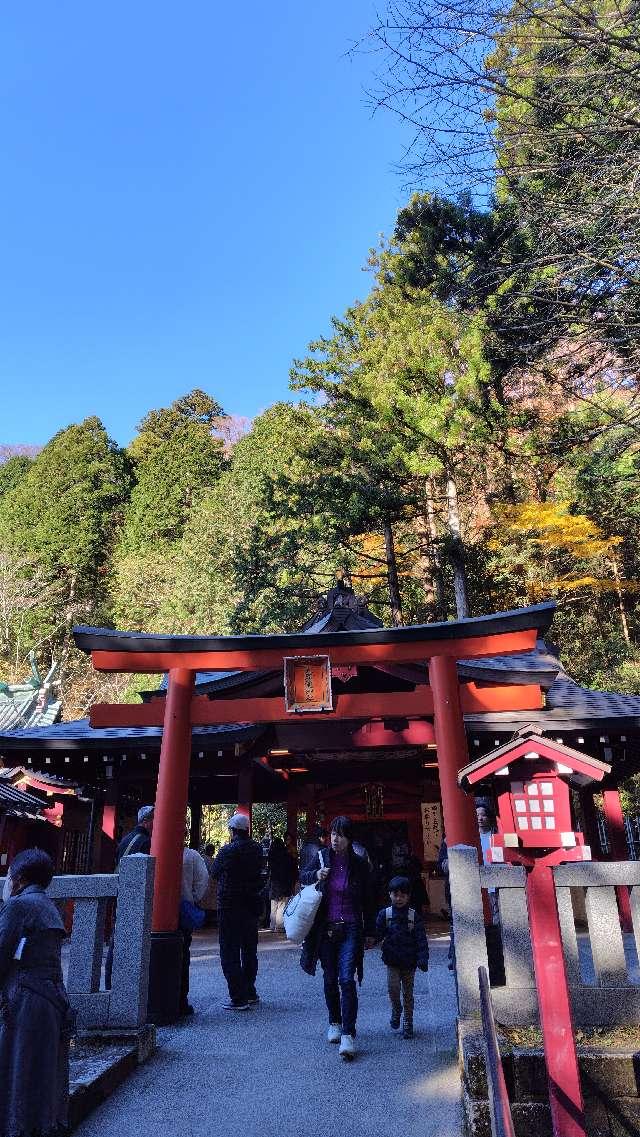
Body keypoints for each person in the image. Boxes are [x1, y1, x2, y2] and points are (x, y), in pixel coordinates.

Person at [0, 848, 74, 1137]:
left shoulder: (18, 906)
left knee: (17, 1069)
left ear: (18, 879)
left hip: (25, 997)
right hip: (50, 996)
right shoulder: (48, 906)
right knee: (40, 1073)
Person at [299, 815, 376, 1061]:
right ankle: (334, 1020)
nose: (335, 839)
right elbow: (302, 877)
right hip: (325, 928)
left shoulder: (359, 864)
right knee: (330, 978)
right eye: (333, 833)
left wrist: (372, 931)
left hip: (351, 926)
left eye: (340, 834)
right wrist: (316, 875)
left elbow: (369, 898)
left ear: (349, 838)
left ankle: (347, 1034)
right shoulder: (321, 857)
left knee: (346, 979)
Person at [211, 813, 264, 1010]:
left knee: (229, 950)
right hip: (250, 903)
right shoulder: (257, 849)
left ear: (232, 831)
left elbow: (214, 872)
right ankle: (250, 991)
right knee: (249, 949)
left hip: (229, 904)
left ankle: (238, 996)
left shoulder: (227, 851)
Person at [105, 804, 155, 989]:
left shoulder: (126, 840)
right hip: (136, 895)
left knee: (117, 939)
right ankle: (128, 985)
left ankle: (112, 983)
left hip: (122, 894)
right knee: (133, 941)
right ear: (147, 821)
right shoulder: (145, 842)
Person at [375, 875, 429, 1039]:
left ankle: (408, 1021)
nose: (399, 898)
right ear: (389, 894)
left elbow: (421, 939)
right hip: (392, 961)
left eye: (403, 895)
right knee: (393, 989)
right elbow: (377, 933)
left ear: (408, 896)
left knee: (408, 993)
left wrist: (422, 958)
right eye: (395, 894)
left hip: (410, 961)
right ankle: (396, 1009)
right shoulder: (385, 914)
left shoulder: (413, 916)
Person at [179, 842, 210, 1017]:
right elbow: (203, 878)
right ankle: (181, 999)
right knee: (183, 954)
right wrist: (194, 897)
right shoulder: (191, 856)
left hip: (158, 909)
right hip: (185, 906)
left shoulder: (155, 848)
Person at [267, 835, 297, 932]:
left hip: (274, 882)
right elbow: (292, 869)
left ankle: (272, 925)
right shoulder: (287, 855)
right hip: (284, 882)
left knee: (274, 905)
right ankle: (279, 926)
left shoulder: (271, 856)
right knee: (282, 904)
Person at [200, 842, 218, 927]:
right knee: (210, 904)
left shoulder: (201, 859)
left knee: (205, 903)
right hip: (210, 883)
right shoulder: (212, 861)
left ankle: (205, 921)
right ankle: (210, 921)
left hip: (204, 883)